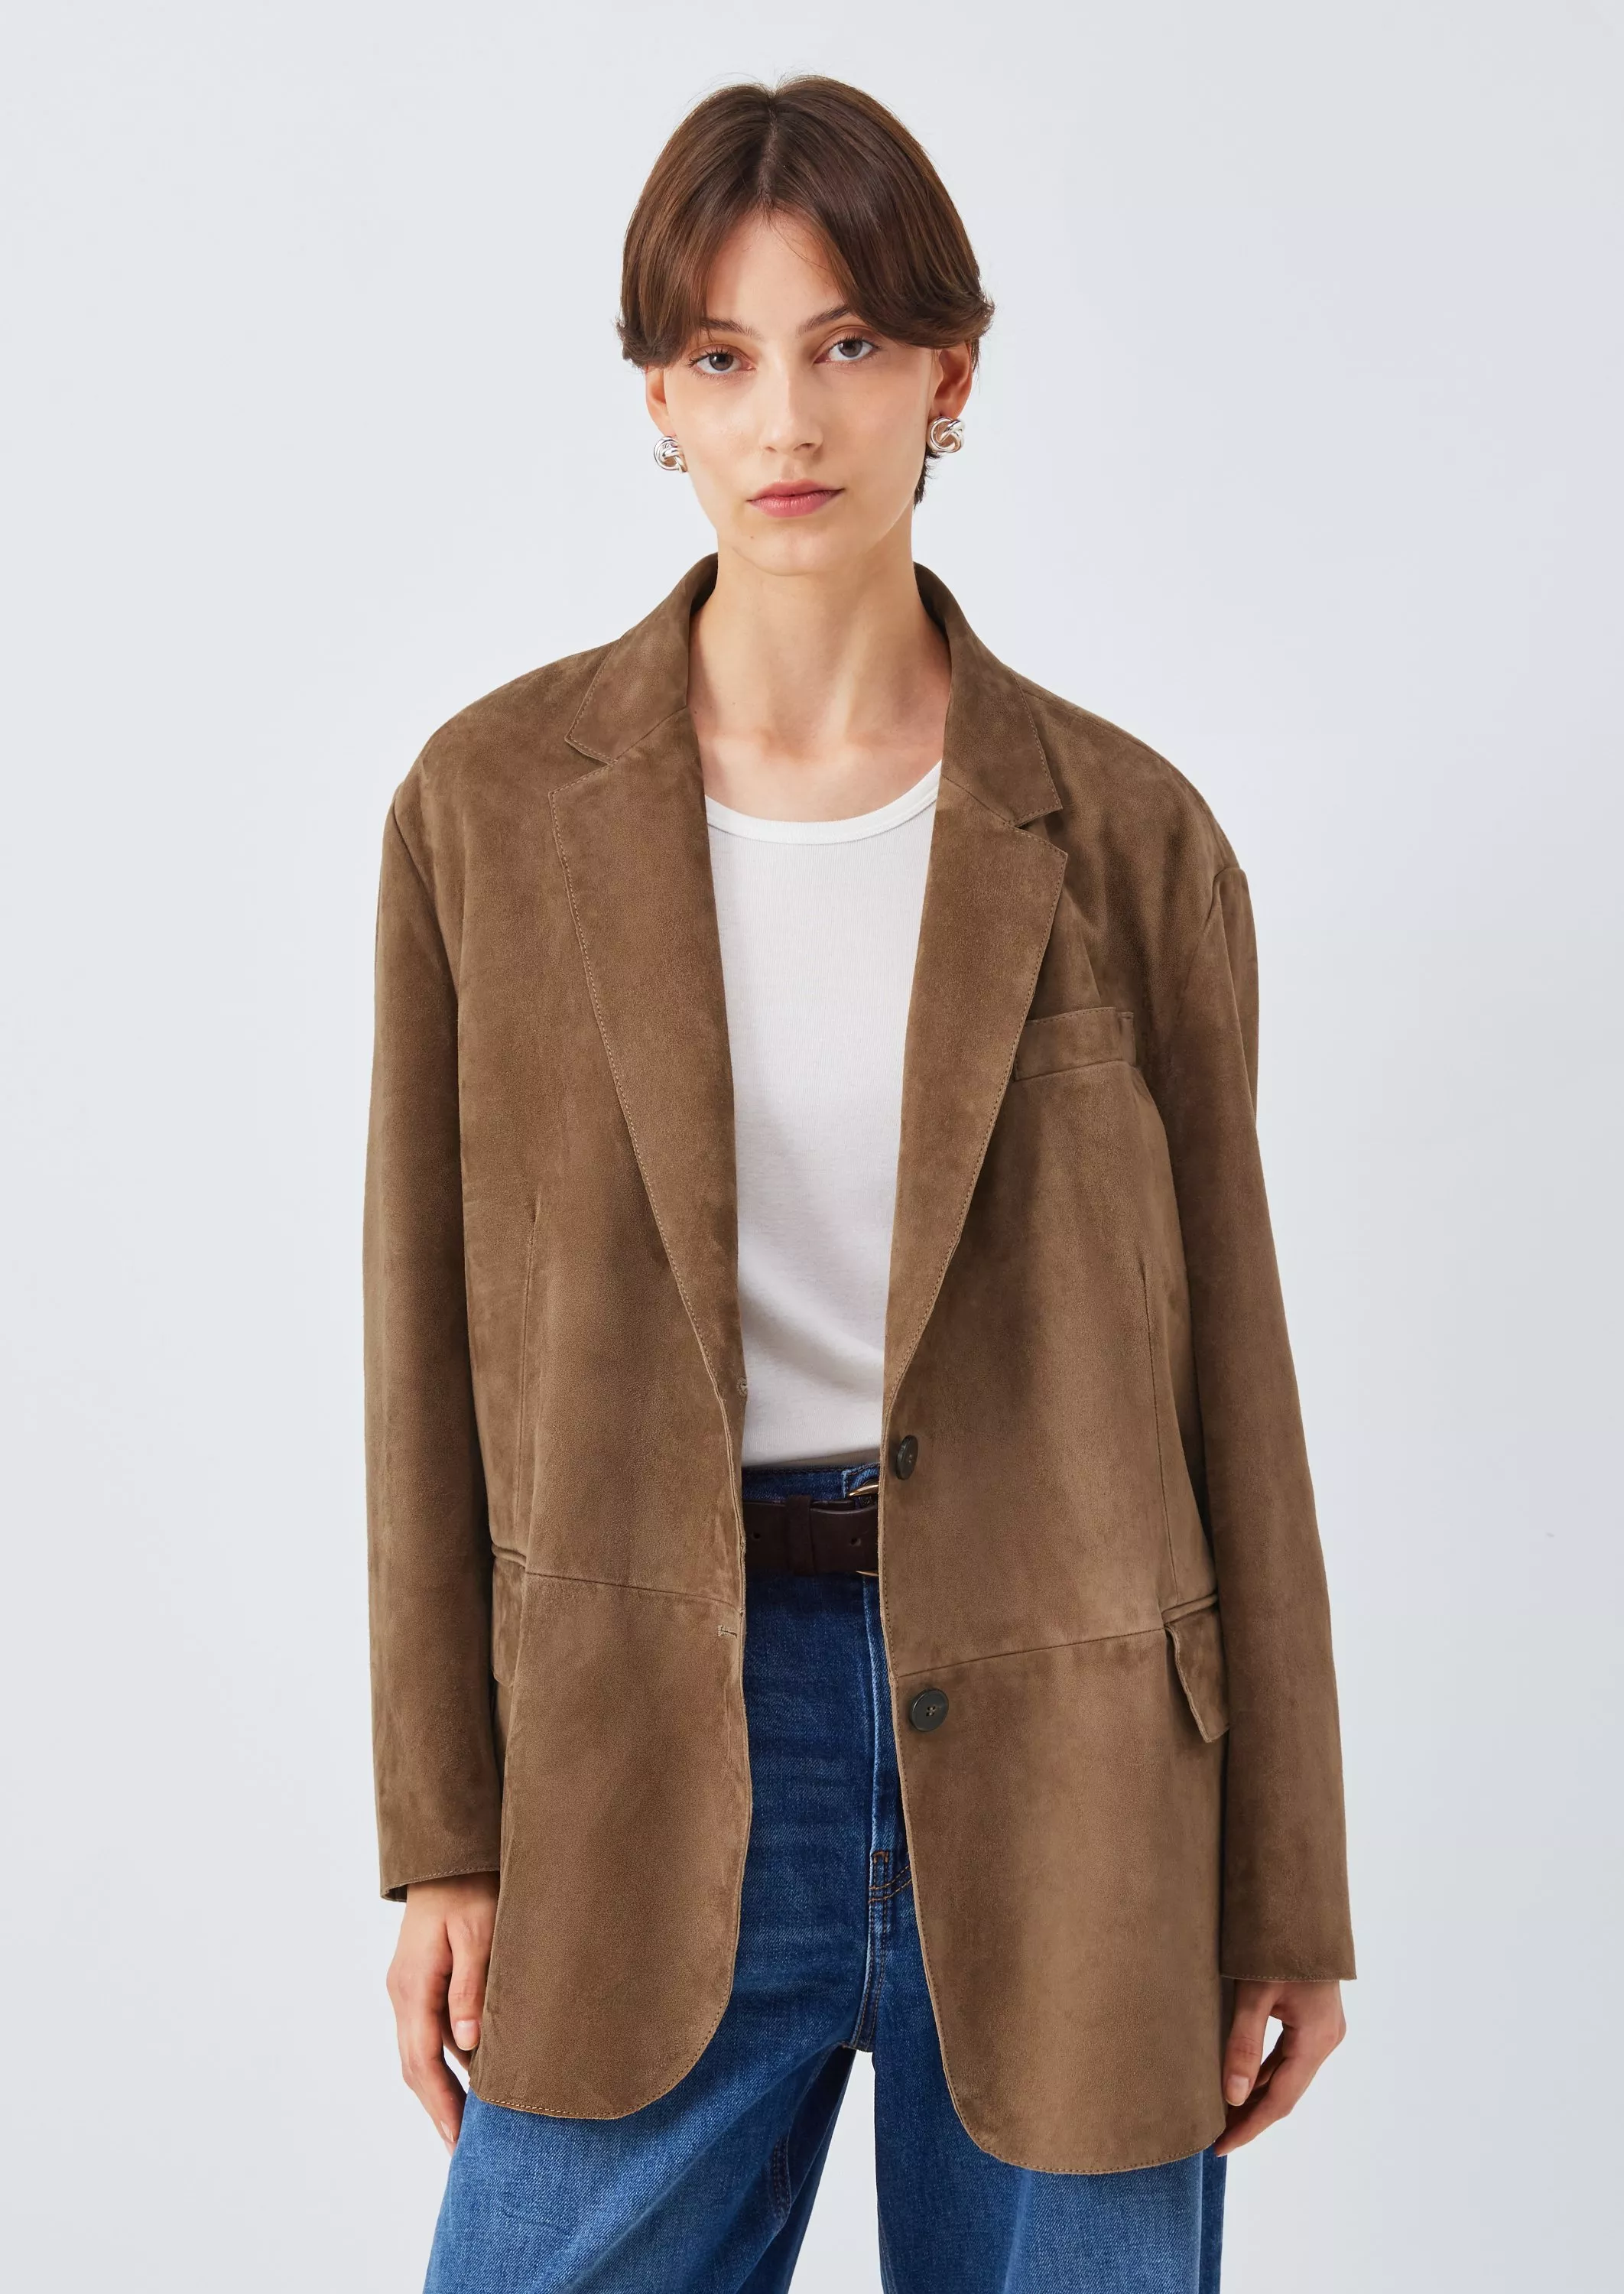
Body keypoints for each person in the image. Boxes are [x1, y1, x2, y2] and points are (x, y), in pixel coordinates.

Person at [365, 73, 1353, 2294]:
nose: (788, 417)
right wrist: (442, 1833)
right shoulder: (489, 815)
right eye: (721, 354)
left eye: (848, 344)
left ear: (949, 376)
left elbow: (1238, 1382)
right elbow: (418, 1359)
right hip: (647, 1744)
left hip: (1080, 1751)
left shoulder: (1127, 838)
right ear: (657, 396)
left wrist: (1285, 1881)